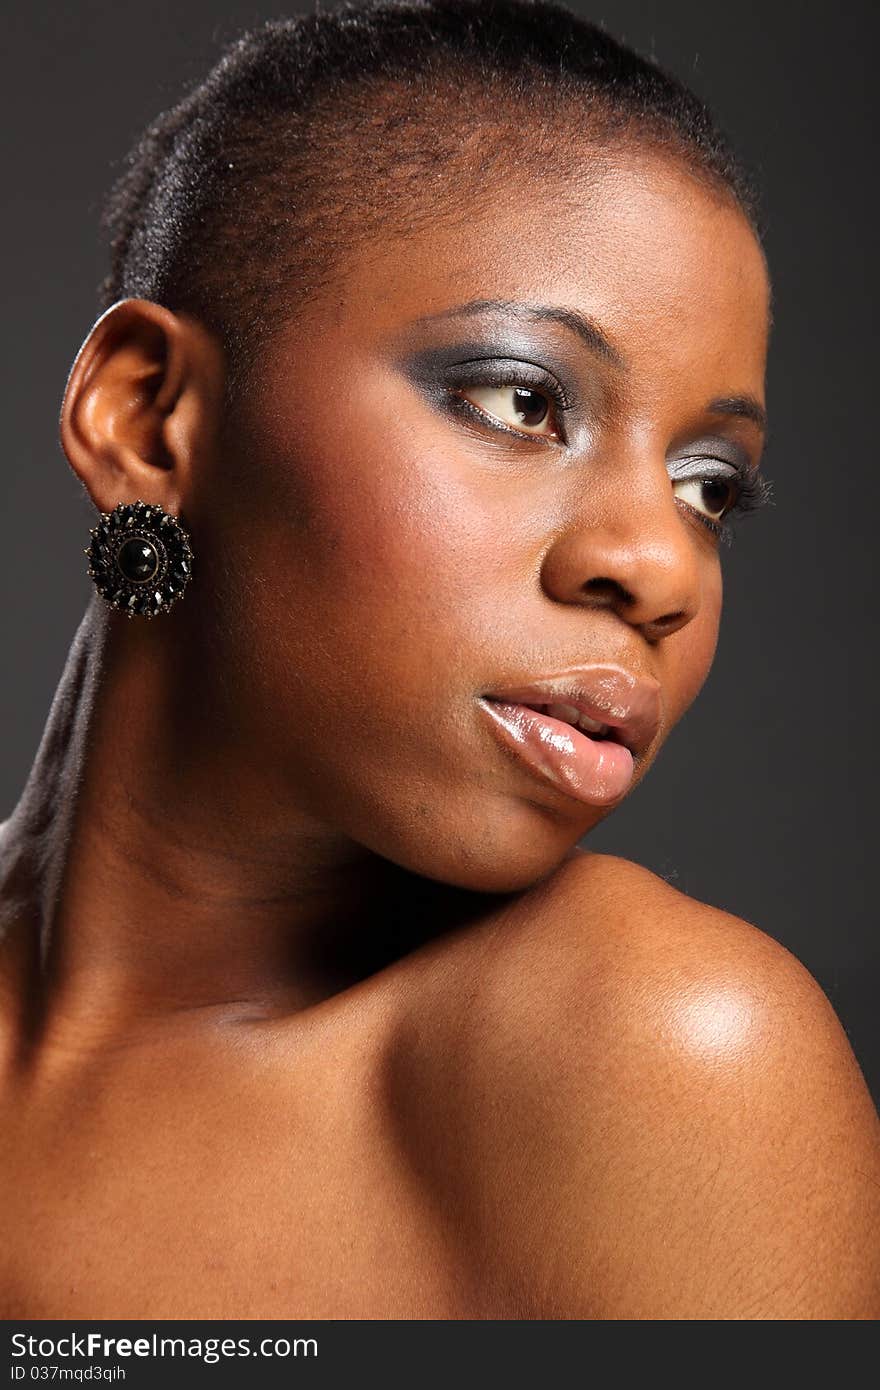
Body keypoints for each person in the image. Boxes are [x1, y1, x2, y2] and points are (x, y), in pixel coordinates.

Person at [0, 0, 877, 1321]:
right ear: (148, 418)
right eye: (525, 401)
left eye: (709, 485)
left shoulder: (660, 1054)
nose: (659, 566)